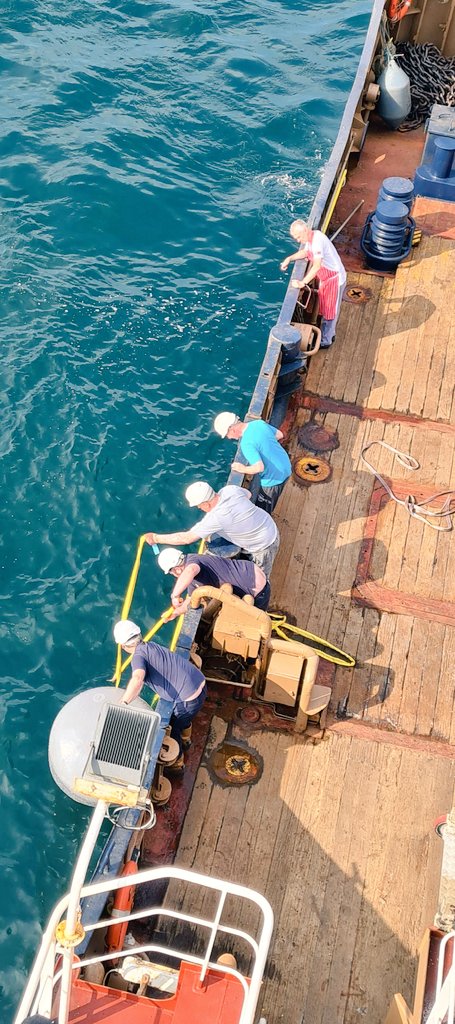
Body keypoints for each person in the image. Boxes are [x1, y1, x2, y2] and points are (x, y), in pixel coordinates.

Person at [113, 619, 207, 770]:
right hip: (201, 684)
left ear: (123, 646)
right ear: (139, 634)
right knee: (182, 719)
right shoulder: (151, 646)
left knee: (172, 726)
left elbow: (137, 678)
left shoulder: (138, 657)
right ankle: (186, 737)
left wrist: (123, 703)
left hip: (190, 701)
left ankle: (177, 762)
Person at [145, 480, 279, 579]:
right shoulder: (230, 490)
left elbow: (186, 538)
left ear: (206, 503)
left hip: (263, 545)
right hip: (269, 524)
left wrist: (156, 538)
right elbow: (248, 494)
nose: (198, 508)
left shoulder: (216, 518)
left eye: (198, 506)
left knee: (261, 578)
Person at [280, 219, 346, 349]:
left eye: (298, 237)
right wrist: (289, 258)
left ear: (305, 230)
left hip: (335, 279)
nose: (298, 240)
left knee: (331, 312)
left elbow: (316, 266)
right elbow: (305, 252)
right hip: (326, 279)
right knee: (327, 308)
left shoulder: (317, 241)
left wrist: (302, 283)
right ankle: (326, 333)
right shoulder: (312, 237)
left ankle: (327, 340)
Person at [157, 547, 271, 617]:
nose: (174, 575)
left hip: (257, 590)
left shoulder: (193, 562)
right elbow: (191, 600)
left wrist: (175, 595)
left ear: (176, 569)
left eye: (172, 572)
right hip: (251, 576)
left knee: (256, 624)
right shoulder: (192, 580)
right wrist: (176, 612)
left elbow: (191, 570)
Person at [213, 411, 291, 513]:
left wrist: (242, 468)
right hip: (286, 466)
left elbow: (259, 467)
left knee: (263, 510)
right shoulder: (258, 423)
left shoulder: (246, 444)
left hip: (274, 479)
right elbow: (279, 435)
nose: (228, 437)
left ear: (232, 429)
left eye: (227, 434)